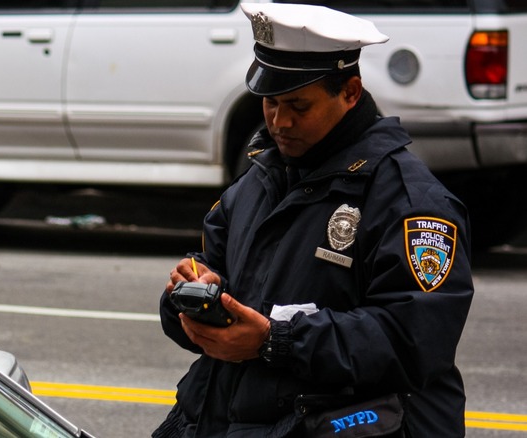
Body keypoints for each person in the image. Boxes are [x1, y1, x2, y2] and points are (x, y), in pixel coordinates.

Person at [154, 3, 474, 437]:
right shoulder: (261, 176)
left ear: (351, 92)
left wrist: (274, 340)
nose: (279, 121)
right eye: (270, 102)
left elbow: (414, 340)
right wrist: (191, 295)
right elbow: (214, 269)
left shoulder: (411, 202)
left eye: (299, 106)